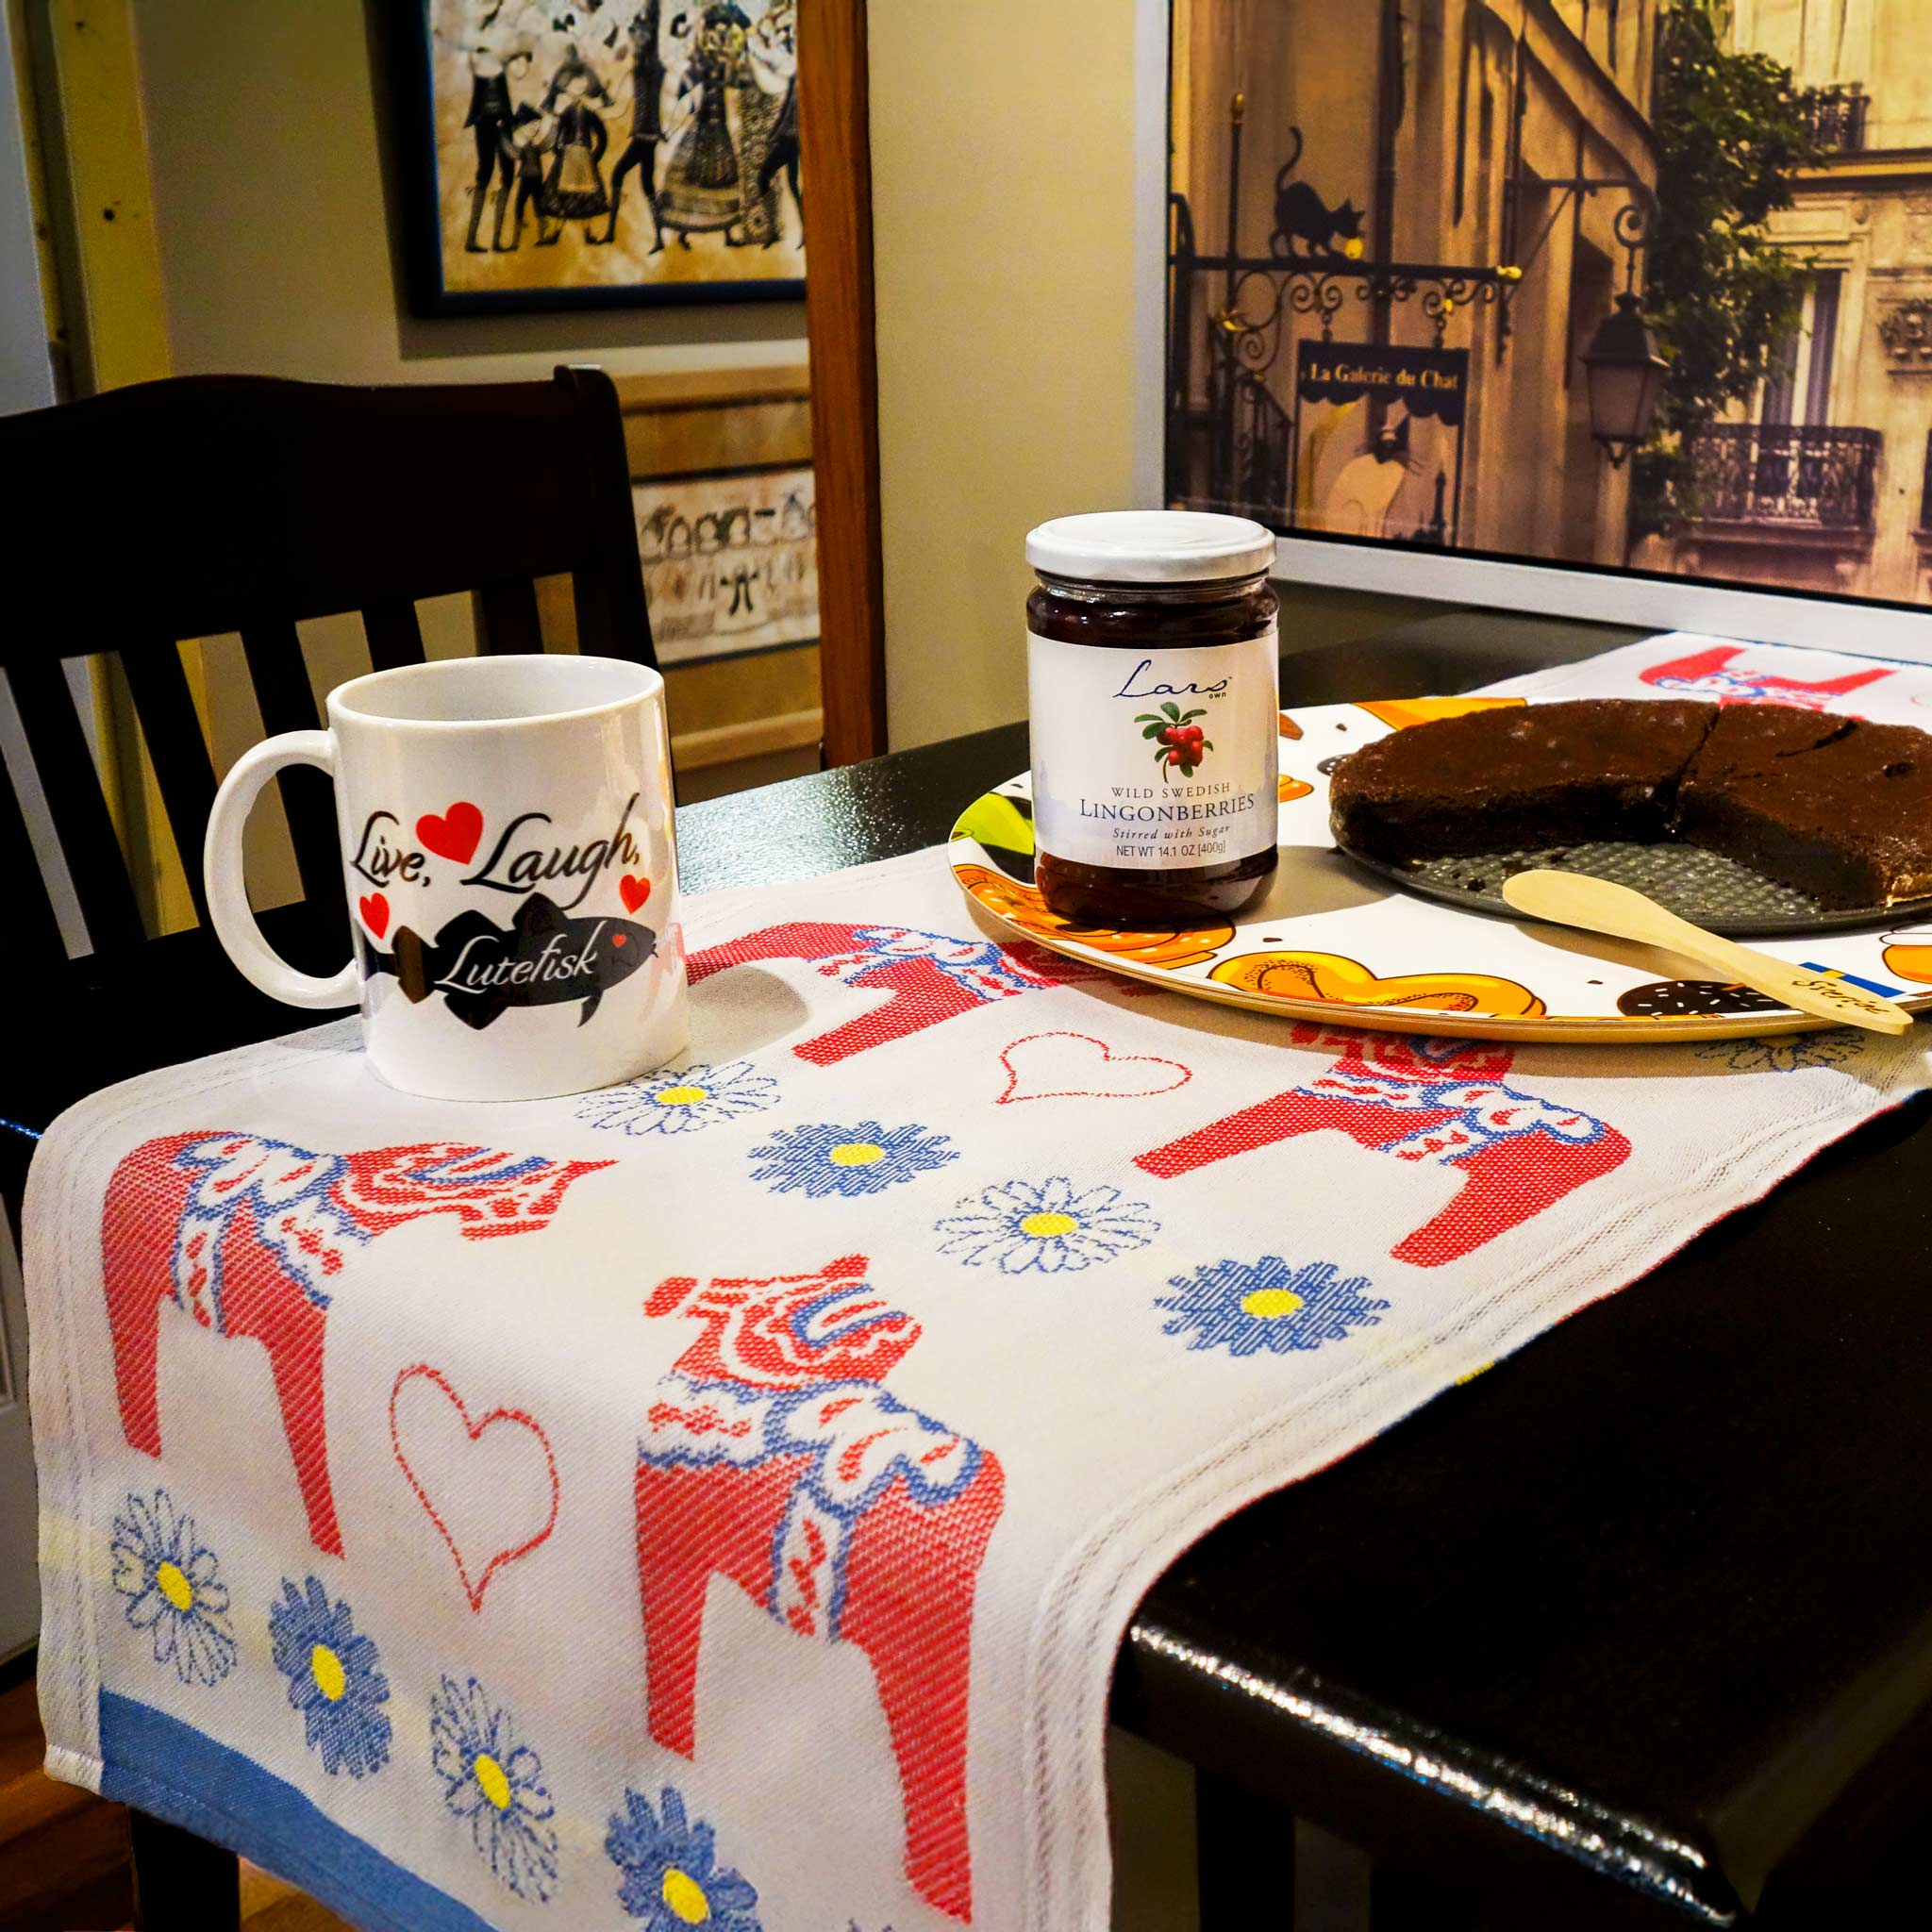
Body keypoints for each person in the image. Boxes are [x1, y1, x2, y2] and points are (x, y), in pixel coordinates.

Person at [657, 5, 748, 245]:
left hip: (720, 125)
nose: (719, 37)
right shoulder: (703, 60)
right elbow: (687, 83)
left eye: (723, 32)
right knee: (695, 182)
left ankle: (727, 233)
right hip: (705, 124)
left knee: (723, 182)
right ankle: (685, 231)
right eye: (715, 32)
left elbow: (737, 80)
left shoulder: (725, 59)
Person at [601, 1, 667, 250]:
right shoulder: (640, 65)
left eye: (638, 36)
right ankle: (659, 237)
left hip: (645, 134)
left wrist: (649, 8)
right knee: (647, 186)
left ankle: (610, 231)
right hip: (645, 133)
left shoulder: (649, 65)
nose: (634, 40)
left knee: (618, 175)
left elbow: (653, 22)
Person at [538, 59, 612, 239]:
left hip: (586, 157)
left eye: (582, 85)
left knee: (586, 196)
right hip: (567, 157)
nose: (579, 88)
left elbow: (602, 135)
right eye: (575, 85)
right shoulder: (565, 112)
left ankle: (587, 232)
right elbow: (557, 134)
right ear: (567, 87)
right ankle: (555, 232)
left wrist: (595, 155)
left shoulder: (590, 113)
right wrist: (559, 153)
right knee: (562, 196)